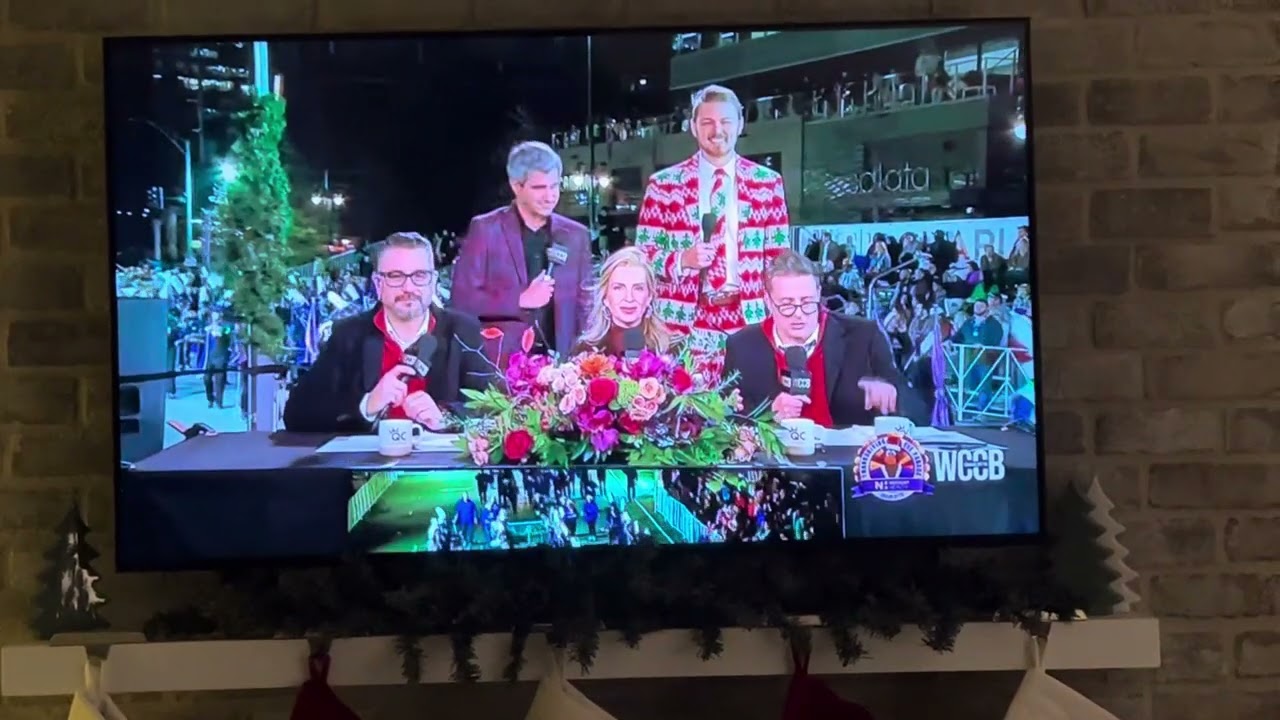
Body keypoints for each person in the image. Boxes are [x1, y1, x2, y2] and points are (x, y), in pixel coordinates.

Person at [635, 84, 790, 381]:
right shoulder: (664, 185)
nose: (716, 130)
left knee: (747, 410)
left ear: (740, 124)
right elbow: (642, 260)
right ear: (693, 127)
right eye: (707, 122)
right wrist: (682, 260)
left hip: (749, 319)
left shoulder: (767, 183)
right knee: (689, 415)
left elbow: (778, 260)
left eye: (725, 122)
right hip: (682, 323)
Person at [283, 232, 491, 433]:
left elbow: (493, 409)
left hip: (441, 467)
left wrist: (446, 417)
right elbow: (297, 413)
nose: (408, 287)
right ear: (378, 283)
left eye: (419, 275)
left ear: (433, 281)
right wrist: (367, 405)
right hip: (367, 467)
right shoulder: (347, 335)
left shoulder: (463, 332)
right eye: (395, 276)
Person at [723, 251, 928, 428]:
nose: (799, 314)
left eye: (807, 302)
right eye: (786, 305)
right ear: (768, 301)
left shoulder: (864, 336)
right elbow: (725, 421)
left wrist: (893, 396)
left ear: (819, 293)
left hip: (847, 465)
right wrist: (767, 415)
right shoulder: (742, 346)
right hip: (773, 467)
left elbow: (918, 412)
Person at [451, 141, 593, 364]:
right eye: (539, 188)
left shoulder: (576, 235)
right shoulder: (486, 230)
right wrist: (520, 299)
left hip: (563, 370)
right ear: (516, 186)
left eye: (554, 186)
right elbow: (462, 301)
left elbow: (586, 305)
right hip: (502, 367)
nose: (550, 196)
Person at [570, 246, 675, 356]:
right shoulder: (585, 352)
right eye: (619, 288)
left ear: (649, 296)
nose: (629, 298)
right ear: (605, 297)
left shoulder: (671, 350)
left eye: (638, 288)